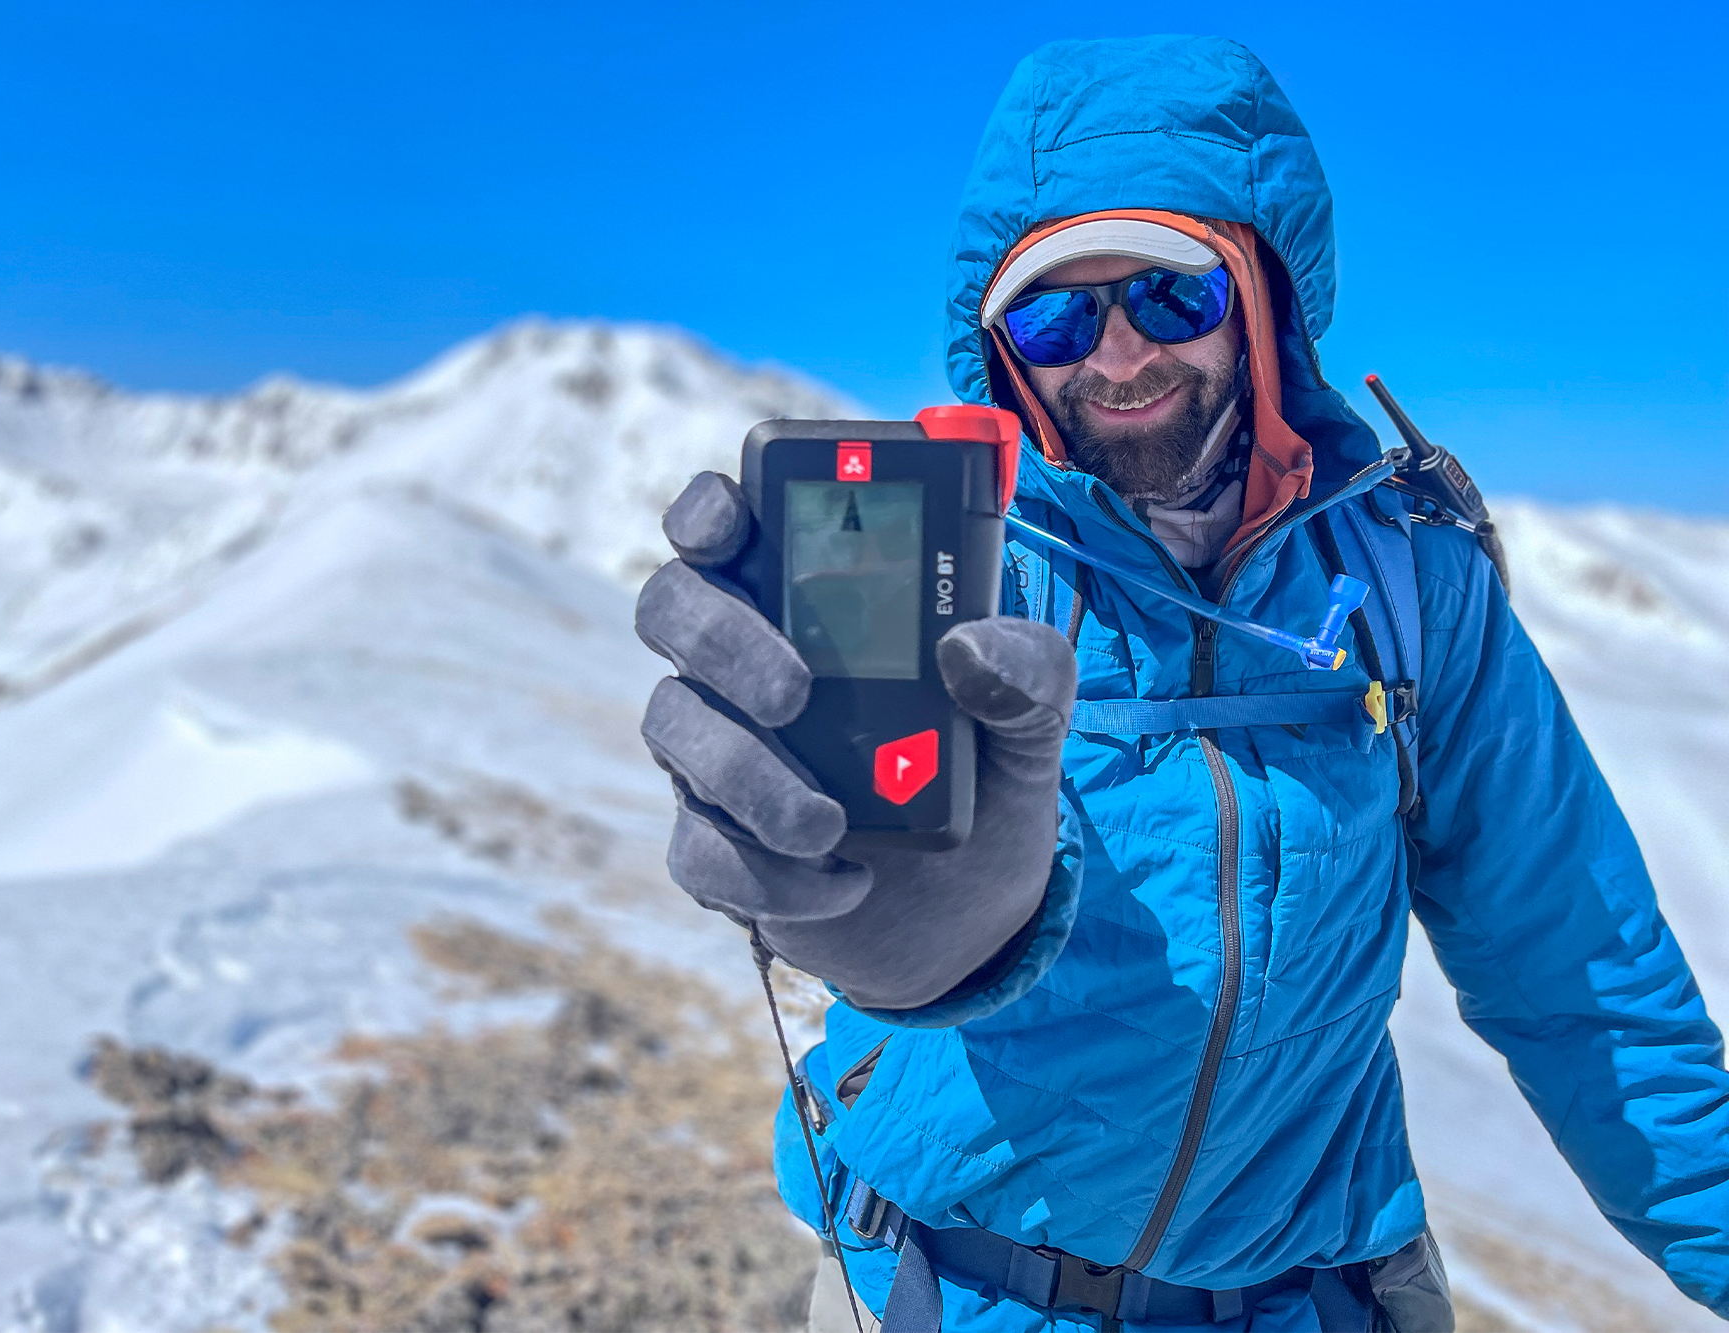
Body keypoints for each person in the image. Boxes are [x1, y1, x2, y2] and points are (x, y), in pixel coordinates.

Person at [634, 35, 1729, 1333]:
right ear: (1001, 351)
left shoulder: (1409, 588)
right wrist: (897, 940)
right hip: (945, 1290)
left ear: (1260, 294)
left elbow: (1582, 976)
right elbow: (877, 904)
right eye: (1051, 317)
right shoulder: (956, 582)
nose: (1115, 357)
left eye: (1169, 295)